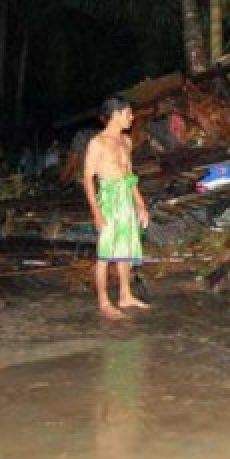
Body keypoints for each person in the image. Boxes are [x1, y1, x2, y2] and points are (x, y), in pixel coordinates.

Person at [83, 97, 150, 320]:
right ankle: (104, 301)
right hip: (109, 201)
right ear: (115, 114)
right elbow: (87, 178)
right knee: (105, 254)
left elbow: (129, 176)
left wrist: (140, 204)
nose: (132, 117)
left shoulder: (126, 142)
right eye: (128, 113)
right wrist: (96, 212)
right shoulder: (97, 143)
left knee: (125, 250)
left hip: (126, 200)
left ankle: (125, 295)